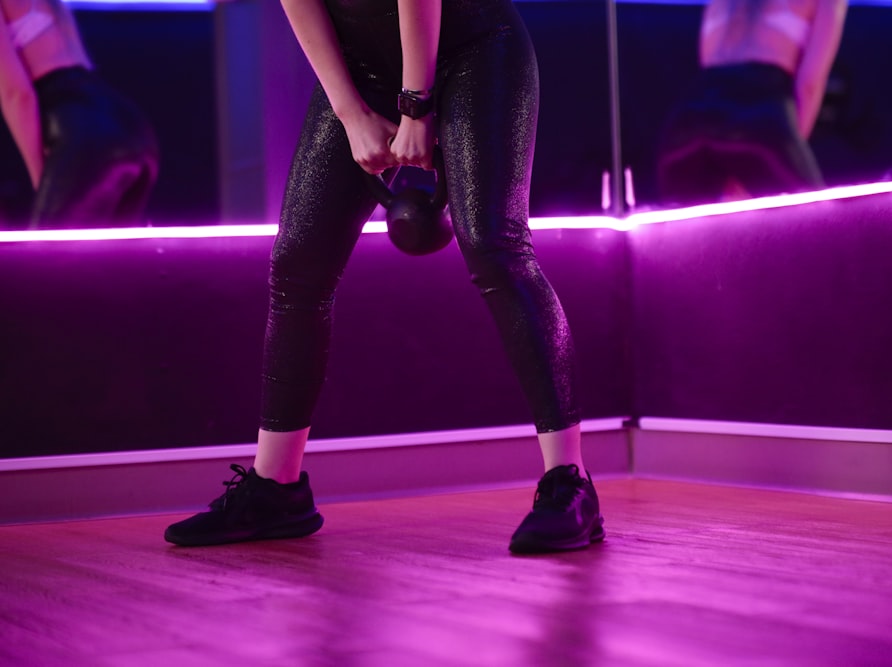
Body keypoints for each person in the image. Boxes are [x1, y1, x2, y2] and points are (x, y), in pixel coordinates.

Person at [164, 0, 605, 554]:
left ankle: (571, 484)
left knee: (496, 247)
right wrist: (350, 113)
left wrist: (417, 110)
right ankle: (276, 489)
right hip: (363, 68)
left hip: (474, 49)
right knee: (298, 265)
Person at [656, 0, 847, 206]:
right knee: (820, 227)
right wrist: (791, 150)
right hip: (758, 113)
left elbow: (707, 59)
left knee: (686, 235)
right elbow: (809, 84)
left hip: (688, 118)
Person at [0, 0, 158, 228]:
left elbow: (16, 95)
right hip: (128, 124)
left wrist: (41, 179)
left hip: (82, 131)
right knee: (116, 262)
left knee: (44, 259)